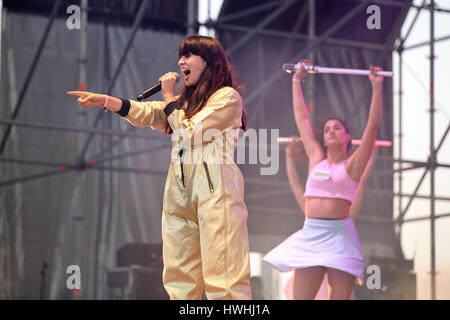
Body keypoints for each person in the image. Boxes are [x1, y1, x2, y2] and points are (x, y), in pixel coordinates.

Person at [67, 35, 252, 300]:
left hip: (215, 190)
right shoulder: (185, 104)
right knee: (179, 277)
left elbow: (190, 134)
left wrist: (168, 95)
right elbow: (148, 112)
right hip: (179, 193)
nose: (180, 61)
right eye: (181, 56)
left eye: (188, 55)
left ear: (208, 61)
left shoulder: (227, 98)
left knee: (223, 274)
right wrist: (106, 100)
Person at [263, 58, 384, 300]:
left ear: (348, 136)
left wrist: (377, 87)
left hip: (339, 237)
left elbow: (372, 127)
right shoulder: (316, 157)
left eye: (336, 128)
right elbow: (301, 120)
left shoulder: (353, 165)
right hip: (310, 234)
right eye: (327, 129)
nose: (330, 131)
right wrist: (296, 80)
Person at [282, 139, 379, 299]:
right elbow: (296, 184)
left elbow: (361, 183)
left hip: (334, 278)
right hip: (313, 277)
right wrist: (288, 156)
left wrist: (372, 153)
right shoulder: (311, 211)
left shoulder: (345, 212)